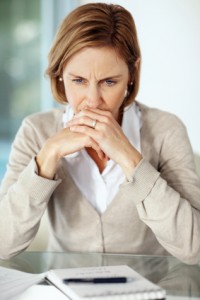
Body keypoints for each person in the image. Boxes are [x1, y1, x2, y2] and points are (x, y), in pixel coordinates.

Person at [0, 3, 200, 264]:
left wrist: (130, 159)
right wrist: (47, 157)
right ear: (60, 74)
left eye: (109, 82)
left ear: (131, 73)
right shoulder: (36, 131)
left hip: (151, 290)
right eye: (79, 81)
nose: (92, 101)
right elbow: (3, 245)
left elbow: (193, 248)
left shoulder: (166, 130)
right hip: (66, 290)